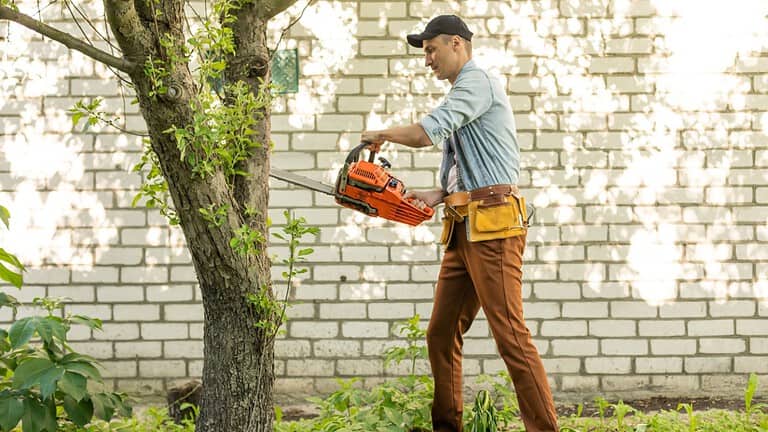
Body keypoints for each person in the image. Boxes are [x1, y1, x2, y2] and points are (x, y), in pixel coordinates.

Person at [360, 14, 559, 432]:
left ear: (457, 44)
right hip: (462, 225)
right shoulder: (462, 92)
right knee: (441, 332)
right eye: (425, 52)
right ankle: (447, 426)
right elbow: (469, 166)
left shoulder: (477, 82)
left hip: (493, 226)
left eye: (432, 49)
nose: (427, 59)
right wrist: (438, 194)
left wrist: (382, 133)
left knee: (510, 335)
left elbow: (427, 132)